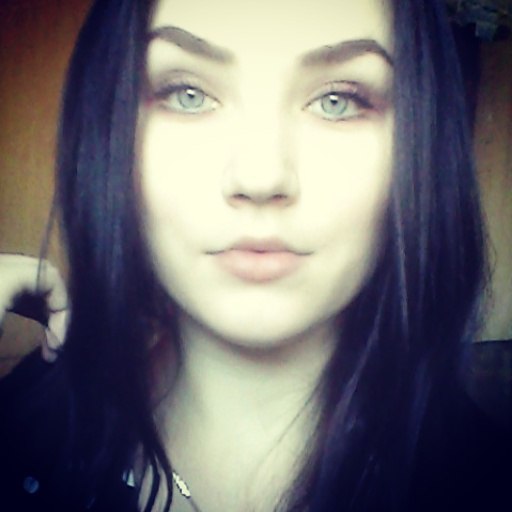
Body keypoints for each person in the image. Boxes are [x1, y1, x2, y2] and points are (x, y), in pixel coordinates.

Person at [0, 0, 510, 510]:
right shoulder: (21, 436)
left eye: (338, 100)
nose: (261, 177)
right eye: (187, 94)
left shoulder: (485, 484)